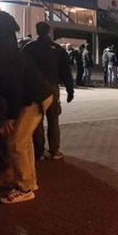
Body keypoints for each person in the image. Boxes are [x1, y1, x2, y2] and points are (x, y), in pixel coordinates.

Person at [0, 0, 53, 204]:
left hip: (33, 97)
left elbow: (12, 82)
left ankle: (25, 187)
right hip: (37, 93)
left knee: (16, 144)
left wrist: (9, 115)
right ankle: (29, 181)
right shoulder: (5, 33)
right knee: (23, 141)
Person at [22, 22, 74, 161]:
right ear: (48, 31)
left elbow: (22, 69)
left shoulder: (29, 48)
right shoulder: (57, 49)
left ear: (37, 31)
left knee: (36, 120)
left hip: (34, 87)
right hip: (52, 87)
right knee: (53, 119)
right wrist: (70, 90)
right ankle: (54, 150)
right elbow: (65, 72)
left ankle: (39, 152)